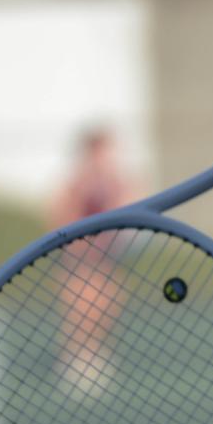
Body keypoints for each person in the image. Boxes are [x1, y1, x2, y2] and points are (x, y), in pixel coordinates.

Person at [47, 126, 140, 398]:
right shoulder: (79, 180)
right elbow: (60, 210)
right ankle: (74, 359)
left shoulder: (114, 180)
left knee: (105, 309)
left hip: (106, 257)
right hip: (80, 258)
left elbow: (129, 201)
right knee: (79, 310)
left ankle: (95, 356)